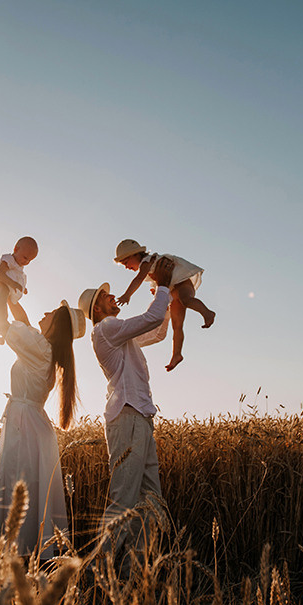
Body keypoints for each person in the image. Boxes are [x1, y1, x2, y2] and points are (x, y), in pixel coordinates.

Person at [78, 255, 175, 558]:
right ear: (97, 309)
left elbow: (156, 330)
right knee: (125, 500)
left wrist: (166, 300)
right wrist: (162, 286)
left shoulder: (120, 335)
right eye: (105, 296)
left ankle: (135, 573)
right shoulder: (106, 328)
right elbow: (151, 320)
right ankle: (102, 569)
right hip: (128, 417)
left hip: (140, 417)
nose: (112, 296)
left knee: (151, 500)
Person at [0, 300, 86, 559]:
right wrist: (11, 300)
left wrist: (0, 289)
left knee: (19, 486)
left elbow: (8, 326)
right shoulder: (43, 348)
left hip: (24, 426)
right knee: (28, 489)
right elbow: (23, 322)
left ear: (57, 326)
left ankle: (15, 553)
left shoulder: (39, 348)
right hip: (32, 423)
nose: (46, 312)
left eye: (52, 313)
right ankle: (23, 555)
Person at [114, 239, 216, 371]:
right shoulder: (150, 263)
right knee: (177, 325)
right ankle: (176, 354)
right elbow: (161, 281)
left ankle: (207, 313)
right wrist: (157, 290)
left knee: (186, 299)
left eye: (126, 263)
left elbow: (138, 279)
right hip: (173, 289)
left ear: (135, 255)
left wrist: (127, 295)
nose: (126, 267)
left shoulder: (146, 262)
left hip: (181, 282)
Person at [0, 236, 39, 344]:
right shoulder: (9, 259)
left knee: (3, 316)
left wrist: (22, 288)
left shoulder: (18, 269)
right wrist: (12, 283)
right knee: (2, 311)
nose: (26, 262)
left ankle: (4, 335)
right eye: (25, 257)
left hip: (2, 294)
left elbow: (15, 279)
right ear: (16, 249)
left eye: (29, 260)